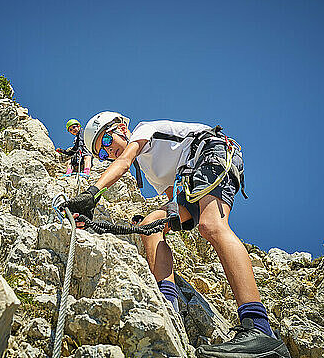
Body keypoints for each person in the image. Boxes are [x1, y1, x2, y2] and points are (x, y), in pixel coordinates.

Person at [64, 112, 290, 358]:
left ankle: (259, 327)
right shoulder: (150, 170)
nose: (109, 154)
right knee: (151, 224)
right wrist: (170, 216)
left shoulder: (143, 130)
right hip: (192, 178)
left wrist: (92, 194)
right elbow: (173, 196)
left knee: (211, 225)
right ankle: (167, 303)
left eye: (106, 143)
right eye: (102, 154)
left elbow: (125, 161)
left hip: (210, 152)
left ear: (120, 128)